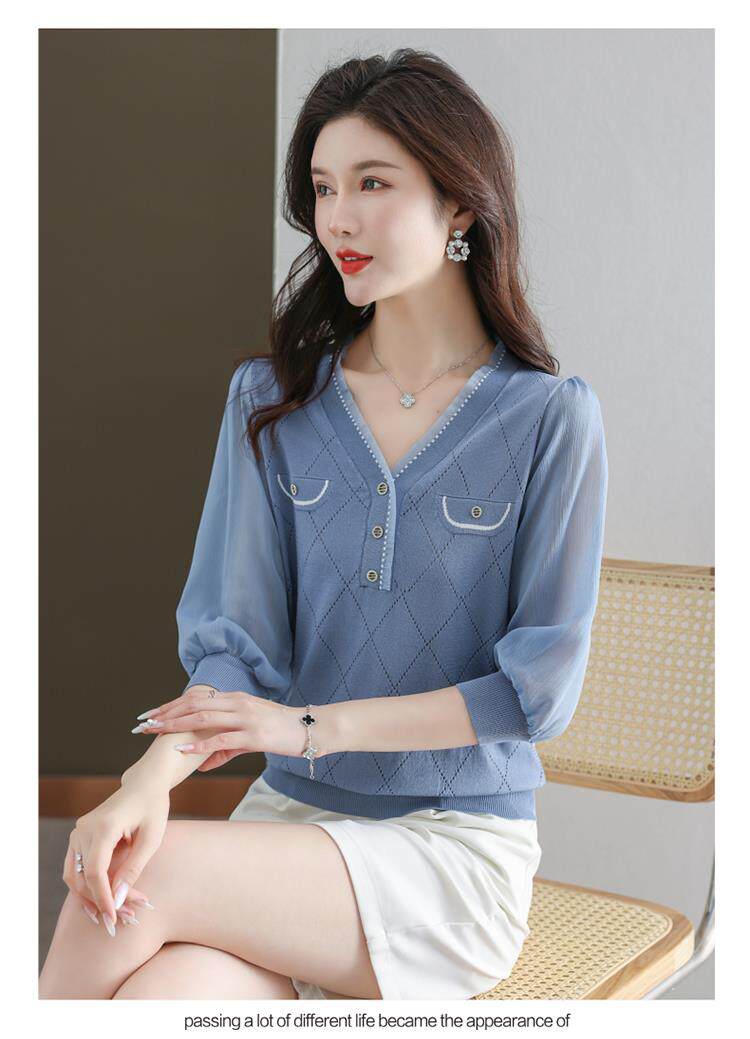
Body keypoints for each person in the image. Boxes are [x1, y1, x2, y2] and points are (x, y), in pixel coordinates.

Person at [39, 47, 608, 1001]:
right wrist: (148, 779)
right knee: (152, 991)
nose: (337, 217)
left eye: (373, 183)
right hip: (288, 823)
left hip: (450, 848)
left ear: (459, 204)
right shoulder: (274, 402)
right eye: (323, 187)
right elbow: (237, 650)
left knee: (143, 875)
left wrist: (308, 728)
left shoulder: (549, 419)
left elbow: (534, 693)